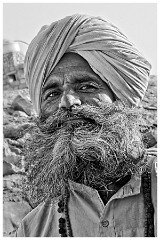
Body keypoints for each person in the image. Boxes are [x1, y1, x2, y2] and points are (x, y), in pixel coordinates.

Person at [16, 14, 157, 237]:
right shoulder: (32, 230)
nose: (67, 102)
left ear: (121, 99)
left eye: (86, 87)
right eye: (52, 93)